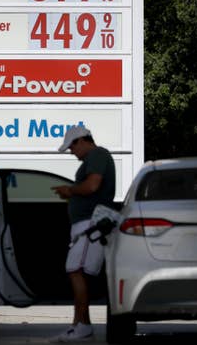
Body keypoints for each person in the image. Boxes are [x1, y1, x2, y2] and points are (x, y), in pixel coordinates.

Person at [50, 125, 116, 342]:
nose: (72, 152)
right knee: (76, 271)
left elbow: (92, 185)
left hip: (91, 224)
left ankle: (82, 326)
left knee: (76, 270)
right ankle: (79, 325)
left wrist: (69, 190)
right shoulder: (94, 158)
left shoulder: (98, 154)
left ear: (81, 140)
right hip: (87, 225)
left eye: (72, 147)